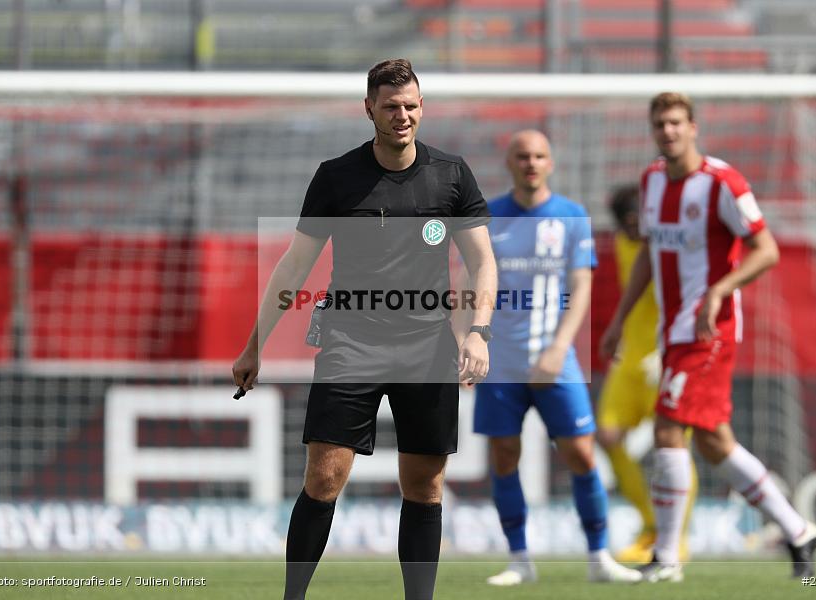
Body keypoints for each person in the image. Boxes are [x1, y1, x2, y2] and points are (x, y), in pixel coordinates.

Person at [232, 59, 498, 600]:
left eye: (411, 106)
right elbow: (294, 267)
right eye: (391, 106)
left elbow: (483, 263)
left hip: (428, 347)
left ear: (422, 108)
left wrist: (477, 332)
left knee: (424, 486)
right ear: (369, 109)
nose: (402, 116)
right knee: (323, 479)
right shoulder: (336, 177)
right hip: (350, 341)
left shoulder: (452, 175)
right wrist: (254, 344)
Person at [599, 92, 816, 583]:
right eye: (661, 124)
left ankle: (667, 557)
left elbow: (767, 250)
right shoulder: (652, 180)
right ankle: (799, 531)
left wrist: (720, 290)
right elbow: (651, 259)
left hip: (711, 331)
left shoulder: (723, 182)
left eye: (677, 122)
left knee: (667, 430)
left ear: (693, 127)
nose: (669, 131)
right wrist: (618, 321)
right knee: (717, 444)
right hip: (671, 331)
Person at [473, 130, 641, 586]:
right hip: (501, 360)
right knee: (504, 454)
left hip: (558, 358)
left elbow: (582, 287)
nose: (531, 163)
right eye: (523, 156)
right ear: (510, 163)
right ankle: (520, 561)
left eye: (539, 156)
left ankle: (599, 558)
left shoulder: (571, 215)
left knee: (582, 455)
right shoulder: (487, 215)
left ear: (551, 163)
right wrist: (472, 340)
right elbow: (472, 286)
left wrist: (558, 348)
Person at [595, 184, 697, 564]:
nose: (636, 228)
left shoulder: (671, 246)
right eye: (628, 222)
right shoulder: (625, 245)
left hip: (665, 358)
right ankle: (651, 525)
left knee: (673, 446)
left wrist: (669, 349)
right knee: (606, 436)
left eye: (641, 220)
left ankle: (676, 539)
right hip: (630, 359)